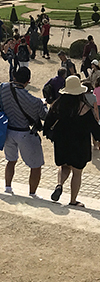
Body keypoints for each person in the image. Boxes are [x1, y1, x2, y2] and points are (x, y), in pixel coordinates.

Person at [43, 74, 100, 208]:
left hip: (61, 141)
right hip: (79, 143)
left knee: (64, 166)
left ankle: (59, 185)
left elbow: (48, 123)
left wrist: (51, 135)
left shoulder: (57, 105)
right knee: (77, 172)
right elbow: (93, 125)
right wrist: (99, 139)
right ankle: (73, 200)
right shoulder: (84, 107)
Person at [2, 66, 48, 197]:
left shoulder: (3, 88)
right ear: (28, 81)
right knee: (36, 165)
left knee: (11, 160)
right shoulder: (34, 101)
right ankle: (32, 193)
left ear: (14, 77)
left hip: (7, 130)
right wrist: (44, 105)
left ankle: (8, 187)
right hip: (24, 132)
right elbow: (44, 116)